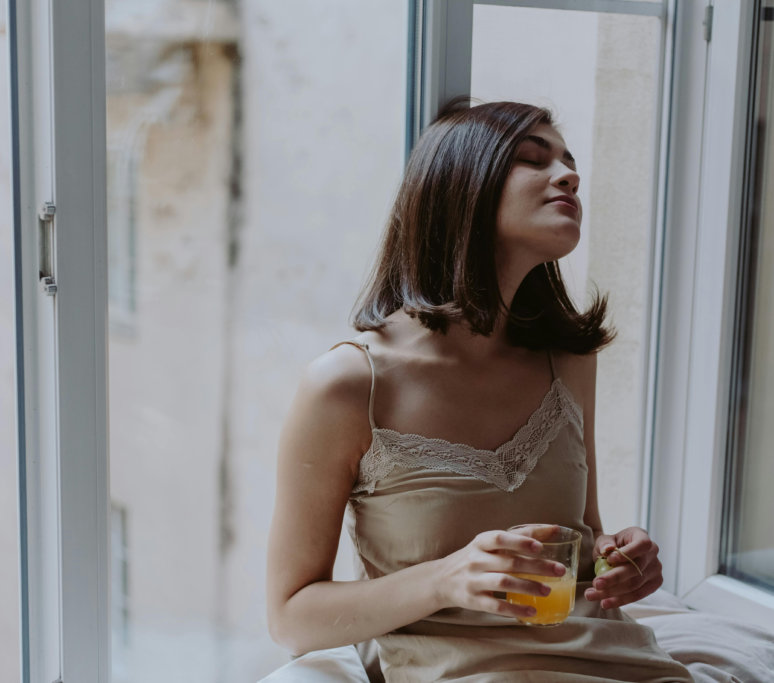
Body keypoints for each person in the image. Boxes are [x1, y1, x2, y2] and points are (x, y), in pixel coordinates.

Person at [266, 100, 692, 682]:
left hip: (615, 665)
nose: (567, 175)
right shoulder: (347, 387)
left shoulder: (570, 360)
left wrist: (621, 557)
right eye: (531, 160)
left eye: (570, 163)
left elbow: (585, 541)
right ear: (460, 188)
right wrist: (446, 578)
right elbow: (291, 618)